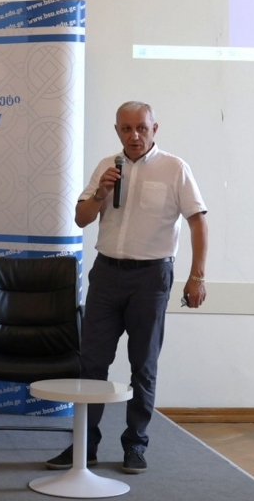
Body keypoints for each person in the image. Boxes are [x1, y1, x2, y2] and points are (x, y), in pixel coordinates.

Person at [47, 101, 207, 474]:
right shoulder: (107, 166)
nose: (134, 136)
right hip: (106, 275)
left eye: (141, 128)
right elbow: (81, 219)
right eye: (126, 129)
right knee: (91, 363)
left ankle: (135, 443)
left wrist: (197, 276)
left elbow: (198, 222)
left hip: (151, 277)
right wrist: (100, 193)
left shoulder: (175, 168)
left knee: (143, 366)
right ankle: (85, 445)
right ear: (117, 130)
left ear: (154, 129)